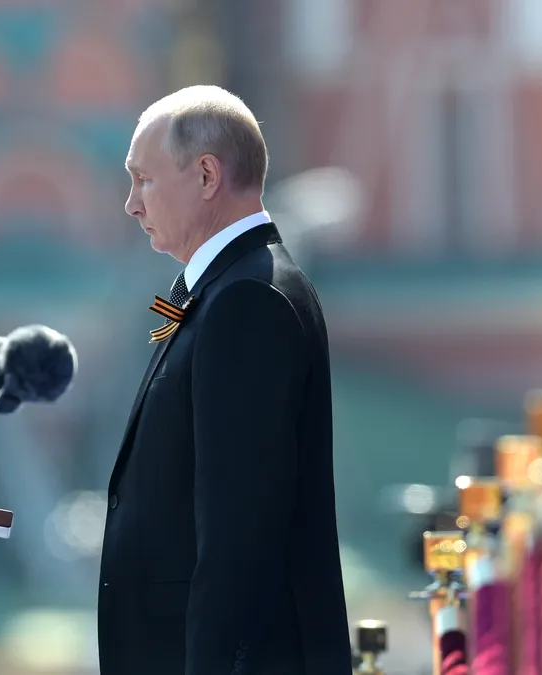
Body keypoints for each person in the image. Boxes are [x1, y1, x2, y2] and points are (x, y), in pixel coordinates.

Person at [98, 85, 351, 675]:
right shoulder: (229, 287)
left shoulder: (247, 299)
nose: (131, 204)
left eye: (144, 180)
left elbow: (241, 531)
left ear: (207, 175)